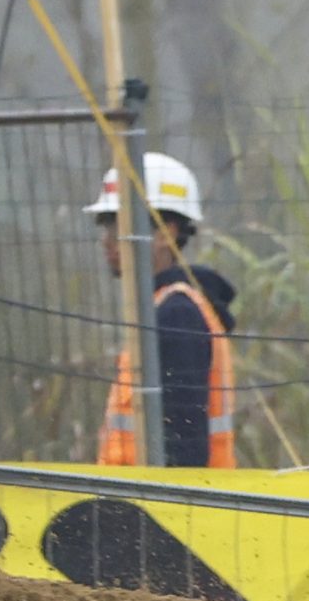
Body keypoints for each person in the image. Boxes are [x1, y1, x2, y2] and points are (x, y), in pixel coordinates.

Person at [86, 151, 237, 469]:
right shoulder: (163, 307)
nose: (107, 240)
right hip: (137, 496)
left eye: (118, 225)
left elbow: (184, 448)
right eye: (106, 225)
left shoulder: (177, 315)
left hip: (162, 499)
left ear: (166, 233)